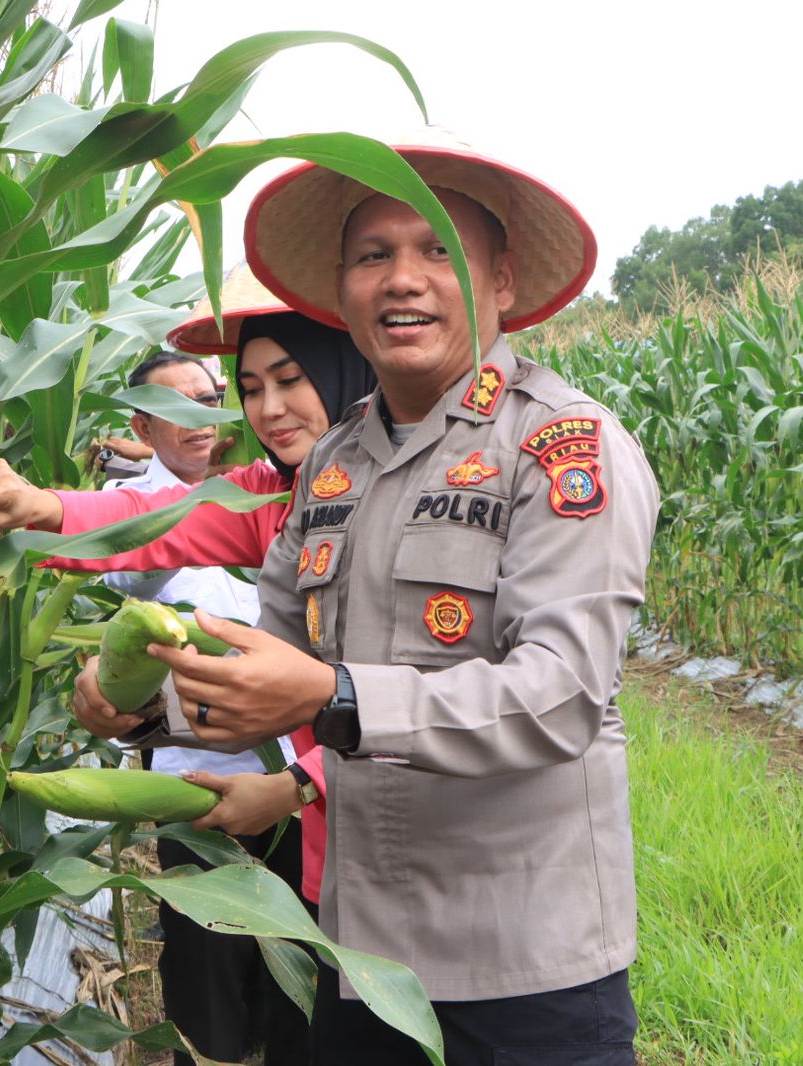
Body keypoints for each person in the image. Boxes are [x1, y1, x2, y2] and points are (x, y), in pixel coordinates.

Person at [74, 130, 660, 1065]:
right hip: (359, 953)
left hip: (523, 967)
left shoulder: (562, 449)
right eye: (373, 256)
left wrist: (331, 697)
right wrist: (143, 705)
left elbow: (562, 695)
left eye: (438, 252)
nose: (403, 279)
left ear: (500, 282)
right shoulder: (335, 465)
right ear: (339, 294)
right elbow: (259, 656)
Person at [99, 347, 306, 1066]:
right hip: (204, 785)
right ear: (142, 426)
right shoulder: (132, 521)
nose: (198, 421)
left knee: (294, 970)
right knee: (211, 972)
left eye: (210, 400)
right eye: (175, 409)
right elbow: (110, 630)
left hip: (301, 778)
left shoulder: (266, 495)